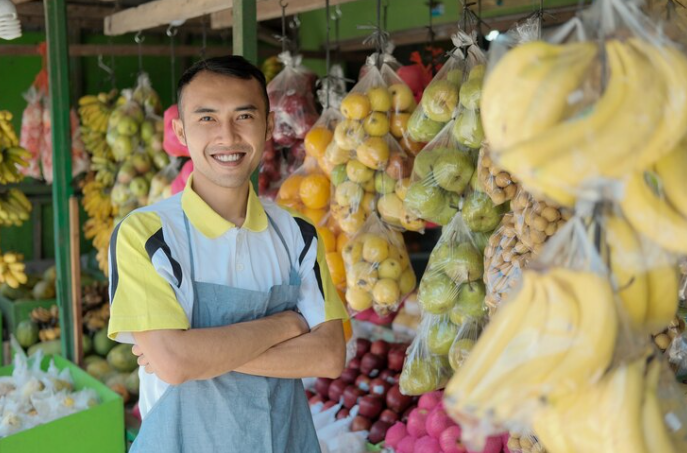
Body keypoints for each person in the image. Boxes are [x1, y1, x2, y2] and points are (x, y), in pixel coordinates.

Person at [107, 55, 348, 452]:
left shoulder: (297, 234)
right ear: (181, 132)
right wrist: (285, 326)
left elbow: (328, 356)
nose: (228, 136)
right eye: (207, 118)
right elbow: (174, 363)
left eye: (244, 116)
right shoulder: (146, 234)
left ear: (269, 126)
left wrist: (196, 353)